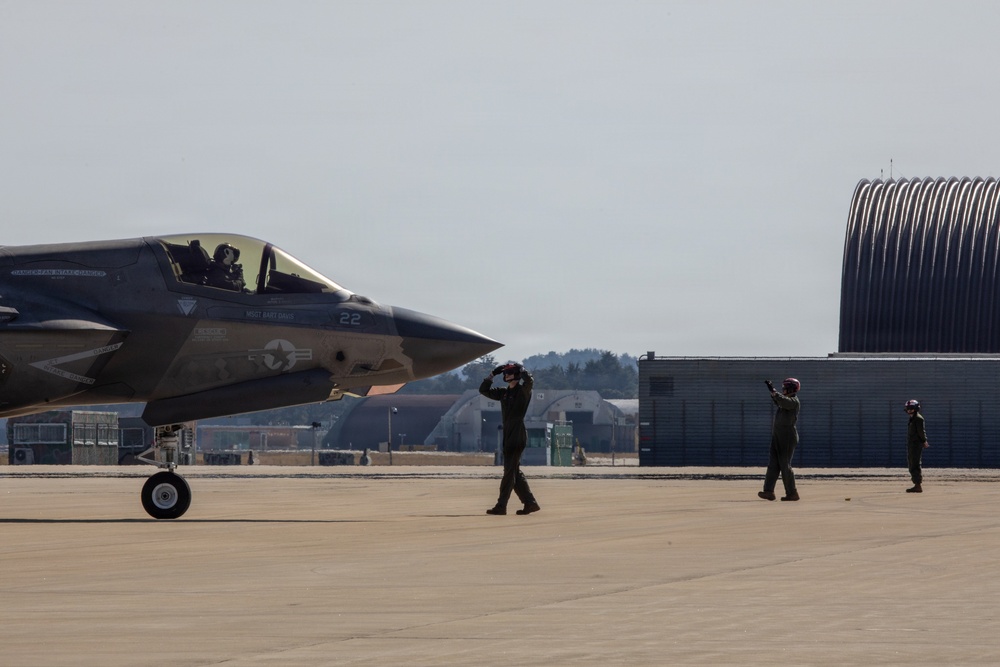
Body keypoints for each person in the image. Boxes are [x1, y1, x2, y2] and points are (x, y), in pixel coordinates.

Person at [480, 362, 541, 516]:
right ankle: (530, 503)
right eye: (505, 373)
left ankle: (501, 505)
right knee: (514, 471)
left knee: (509, 472)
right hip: (508, 433)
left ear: (517, 374)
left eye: (509, 372)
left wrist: (522, 369)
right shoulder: (503, 393)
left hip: (517, 433)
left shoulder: (523, 391)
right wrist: (492, 374)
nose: (506, 375)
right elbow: (483, 390)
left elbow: (530, 381)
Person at [758, 378, 801, 502]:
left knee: (784, 465)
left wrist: (774, 392)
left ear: (791, 389)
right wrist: (773, 393)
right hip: (777, 436)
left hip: (787, 437)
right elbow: (779, 401)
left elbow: (783, 401)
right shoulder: (784, 401)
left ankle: (792, 493)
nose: (783, 390)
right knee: (773, 464)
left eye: (785, 388)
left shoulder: (794, 402)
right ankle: (768, 491)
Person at [904, 399, 929, 493]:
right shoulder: (912, 418)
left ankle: (918, 485)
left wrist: (924, 441)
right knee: (911, 463)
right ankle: (916, 484)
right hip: (912, 444)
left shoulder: (918, 419)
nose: (909, 410)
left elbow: (921, 431)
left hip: (916, 444)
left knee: (915, 463)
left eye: (911, 408)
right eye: (908, 408)